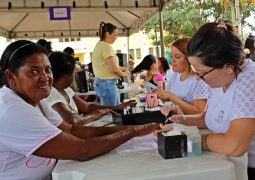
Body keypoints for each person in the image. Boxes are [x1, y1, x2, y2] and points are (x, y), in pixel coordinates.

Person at [0, 40, 161, 179]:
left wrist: (132, 129)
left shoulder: (35, 99)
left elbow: (71, 130)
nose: (45, 77)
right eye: (33, 71)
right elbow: (82, 150)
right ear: (11, 77)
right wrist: (132, 132)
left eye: (47, 70)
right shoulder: (11, 109)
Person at [161, 22, 255, 180]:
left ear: (228, 67)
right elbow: (212, 118)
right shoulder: (220, 79)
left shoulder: (249, 81)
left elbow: (235, 145)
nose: (198, 77)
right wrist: (182, 121)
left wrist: (192, 140)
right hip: (228, 163)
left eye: (202, 73)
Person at [47, 51, 137, 125]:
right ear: (65, 76)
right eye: (73, 73)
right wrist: (97, 114)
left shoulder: (66, 90)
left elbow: (88, 107)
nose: (75, 76)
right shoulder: (51, 94)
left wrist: (117, 106)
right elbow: (74, 121)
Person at [154, 38, 209, 114]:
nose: (172, 60)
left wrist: (170, 96)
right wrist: (159, 94)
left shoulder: (199, 79)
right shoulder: (175, 75)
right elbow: (168, 98)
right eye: (172, 56)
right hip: (177, 120)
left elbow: (199, 111)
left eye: (177, 57)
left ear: (189, 59)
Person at [92, 22, 130, 106]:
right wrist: (124, 74)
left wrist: (123, 68)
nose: (116, 38)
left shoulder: (100, 45)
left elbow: (111, 65)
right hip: (107, 83)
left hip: (104, 83)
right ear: (107, 34)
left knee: (112, 111)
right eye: (114, 35)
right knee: (113, 113)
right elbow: (114, 68)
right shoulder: (105, 46)